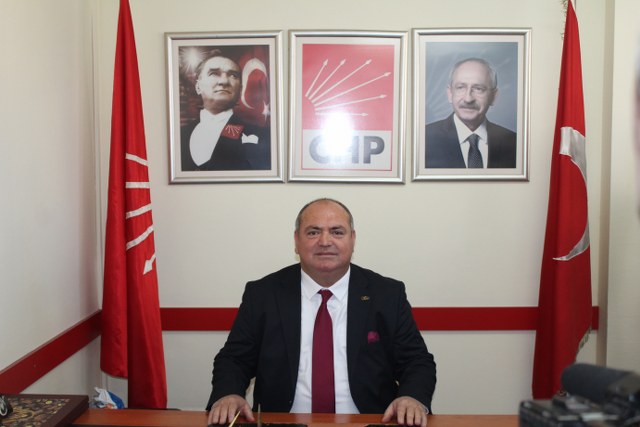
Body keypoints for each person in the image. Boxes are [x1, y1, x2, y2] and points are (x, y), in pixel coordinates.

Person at [206, 198, 436, 427]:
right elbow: (234, 359)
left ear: (352, 239)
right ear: (296, 241)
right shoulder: (263, 294)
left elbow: (416, 361)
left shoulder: (386, 294)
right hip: (283, 423)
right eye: (313, 232)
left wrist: (411, 397)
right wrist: (229, 394)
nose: (325, 242)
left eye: (337, 232)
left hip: (367, 421)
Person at [180, 49, 270, 171]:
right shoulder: (179, 135)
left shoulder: (264, 136)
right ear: (198, 87)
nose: (224, 81)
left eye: (233, 75)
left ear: (240, 90)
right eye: (214, 73)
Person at [425, 57, 517, 169]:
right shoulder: (424, 139)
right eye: (460, 87)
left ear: (493, 97)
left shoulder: (515, 143)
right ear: (450, 94)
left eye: (478, 89)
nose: (468, 99)